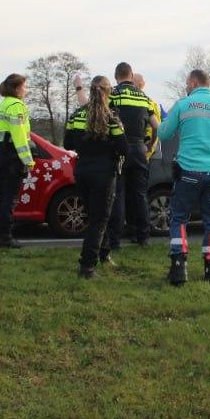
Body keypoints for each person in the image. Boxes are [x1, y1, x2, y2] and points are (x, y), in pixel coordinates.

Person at [159, 68, 210, 285]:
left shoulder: (183, 105)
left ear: (194, 83)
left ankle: (179, 268)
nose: (186, 86)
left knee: (179, 219)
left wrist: (160, 121)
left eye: (187, 83)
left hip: (187, 172)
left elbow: (163, 134)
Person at [64, 76, 127, 278]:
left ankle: (104, 254)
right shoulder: (112, 117)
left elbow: (67, 144)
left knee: (96, 217)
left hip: (82, 171)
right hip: (104, 173)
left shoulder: (76, 115)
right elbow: (123, 147)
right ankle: (87, 266)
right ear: (108, 92)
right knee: (99, 220)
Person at [108, 62, 159, 249]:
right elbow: (156, 127)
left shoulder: (112, 94)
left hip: (118, 148)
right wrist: (149, 145)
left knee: (118, 194)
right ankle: (143, 237)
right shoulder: (144, 97)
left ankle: (114, 240)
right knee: (140, 194)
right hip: (139, 150)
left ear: (116, 76)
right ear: (130, 75)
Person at [0, 73, 34, 248]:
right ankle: (5, 237)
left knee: (1, 196)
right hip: (12, 155)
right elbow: (19, 136)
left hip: (2, 151)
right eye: (24, 86)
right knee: (9, 199)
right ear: (17, 89)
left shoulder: (3, 104)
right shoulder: (16, 106)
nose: (26, 89)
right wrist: (28, 160)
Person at [134, 73, 164, 159]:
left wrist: (149, 147)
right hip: (146, 150)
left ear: (140, 84)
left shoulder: (149, 103)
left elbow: (154, 128)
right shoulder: (150, 102)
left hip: (145, 151)